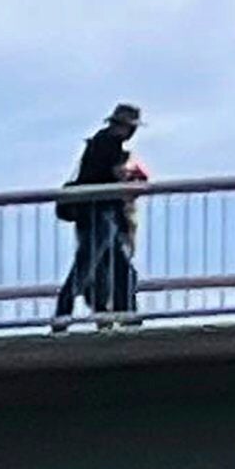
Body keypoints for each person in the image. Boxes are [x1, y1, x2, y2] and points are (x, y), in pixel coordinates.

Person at [54, 104, 145, 326]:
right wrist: (132, 179)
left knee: (116, 270)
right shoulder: (109, 145)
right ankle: (63, 315)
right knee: (88, 268)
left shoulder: (98, 143)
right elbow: (118, 178)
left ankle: (123, 318)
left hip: (99, 214)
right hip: (101, 213)